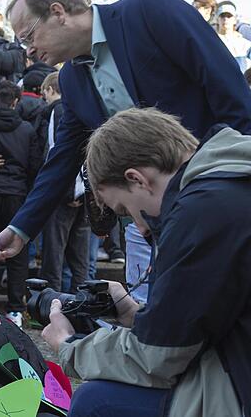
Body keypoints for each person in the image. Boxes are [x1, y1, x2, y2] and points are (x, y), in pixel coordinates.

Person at [0, 0, 251, 263]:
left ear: (58, 12)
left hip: (224, 192)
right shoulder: (71, 80)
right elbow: (63, 157)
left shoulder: (149, 11)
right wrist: (21, 227)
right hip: (161, 222)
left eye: (28, 36)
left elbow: (224, 82)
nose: (27, 50)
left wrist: (239, 171)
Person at [43, 108, 251, 416]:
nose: (141, 229)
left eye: (126, 209)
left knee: (95, 401)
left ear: (137, 179)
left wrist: (70, 346)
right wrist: (132, 312)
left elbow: (160, 358)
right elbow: (201, 321)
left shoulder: (200, 213)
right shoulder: (230, 179)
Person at [0, 81, 42, 325]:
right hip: (17, 194)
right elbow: (35, 164)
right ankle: (15, 306)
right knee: (18, 252)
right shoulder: (26, 129)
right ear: (15, 102)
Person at [38, 72, 90, 294]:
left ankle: (53, 306)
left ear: (50, 90)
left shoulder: (59, 111)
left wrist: (70, 192)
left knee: (54, 256)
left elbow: (59, 153)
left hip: (66, 194)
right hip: (86, 193)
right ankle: (82, 307)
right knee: (80, 260)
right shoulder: (84, 107)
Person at [215, 2, 251, 72]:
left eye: (229, 16)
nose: (225, 19)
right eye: (222, 16)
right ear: (217, 19)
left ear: (234, 20)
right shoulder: (209, 41)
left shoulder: (245, 44)